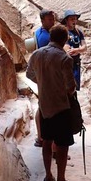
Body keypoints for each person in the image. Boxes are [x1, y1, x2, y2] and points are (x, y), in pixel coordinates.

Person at [26, 25, 80, 181]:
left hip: (44, 106)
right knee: (62, 146)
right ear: (64, 40)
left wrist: (44, 83)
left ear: (50, 37)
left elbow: (29, 74)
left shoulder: (37, 54)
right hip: (61, 108)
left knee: (47, 142)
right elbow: (71, 87)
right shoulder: (65, 58)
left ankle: (48, 175)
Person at [32, 9, 56, 147]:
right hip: (48, 77)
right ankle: (49, 143)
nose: (52, 22)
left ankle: (40, 137)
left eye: (52, 19)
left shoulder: (39, 32)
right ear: (42, 21)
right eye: (49, 19)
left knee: (41, 107)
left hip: (43, 76)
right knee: (49, 109)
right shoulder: (45, 37)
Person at [60, 10, 87, 90]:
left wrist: (77, 50)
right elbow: (68, 50)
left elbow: (85, 47)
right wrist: (79, 49)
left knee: (75, 87)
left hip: (76, 64)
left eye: (75, 19)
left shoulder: (79, 32)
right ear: (66, 20)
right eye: (72, 19)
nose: (74, 21)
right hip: (67, 64)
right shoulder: (64, 32)